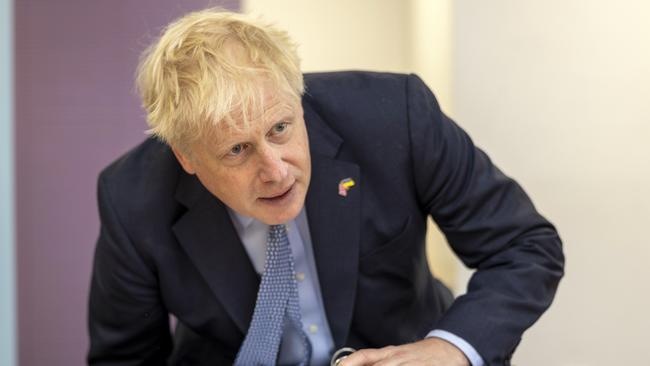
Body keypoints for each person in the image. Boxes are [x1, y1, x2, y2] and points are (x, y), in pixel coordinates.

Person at [87, 8, 564, 366]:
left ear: (296, 96)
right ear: (187, 158)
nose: (276, 171)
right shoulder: (132, 198)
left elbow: (523, 247)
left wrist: (449, 349)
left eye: (280, 129)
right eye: (237, 150)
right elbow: (124, 359)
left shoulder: (395, 117)